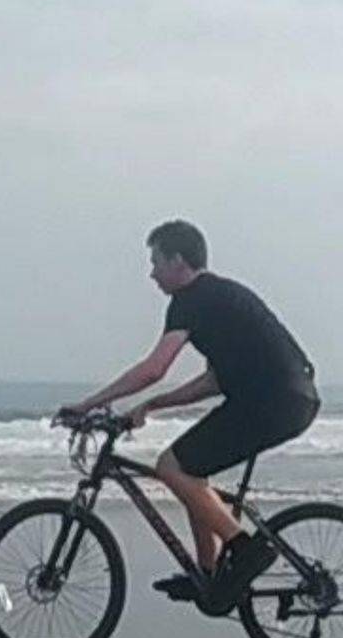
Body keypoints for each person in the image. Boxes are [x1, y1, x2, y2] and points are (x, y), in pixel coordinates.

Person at [60, 220, 319, 612]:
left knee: (170, 466)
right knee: (191, 471)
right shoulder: (217, 297)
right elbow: (213, 381)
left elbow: (153, 369)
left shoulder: (190, 301)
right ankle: (209, 575)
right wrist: (152, 405)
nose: (152, 274)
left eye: (156, 262)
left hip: (272, 402)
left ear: (178, 261)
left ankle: (245, 548)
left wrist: (89, 404)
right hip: (289, 399)